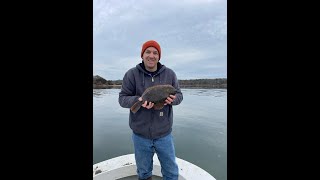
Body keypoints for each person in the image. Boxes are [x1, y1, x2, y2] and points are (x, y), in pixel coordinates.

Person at [119, 40, 183, 180]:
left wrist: (173, 100)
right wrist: (139, 101)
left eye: (155, 53)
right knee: (144, 172)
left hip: (164, 134)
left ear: (159, 56)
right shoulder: (131, 74)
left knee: (171, 172)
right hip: (140, 135)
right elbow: (122, 99)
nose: (151, 56)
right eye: (148, 52)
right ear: (142, 55)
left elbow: (179, 95)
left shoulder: (170, 74)